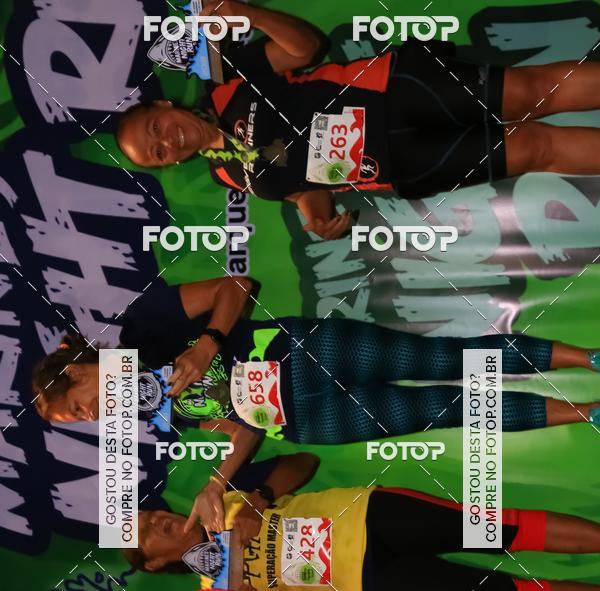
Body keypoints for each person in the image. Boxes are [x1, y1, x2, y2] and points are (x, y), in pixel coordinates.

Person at [32, 282, 600, 531]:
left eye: (76, 409)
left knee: (446, 359)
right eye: (80, 422)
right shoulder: (146, 410)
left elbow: (237, 286)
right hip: (311, 421)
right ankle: (588, 411)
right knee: (450, 410)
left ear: (76, 372)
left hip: (305, 352)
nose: (90, 419)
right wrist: (215, 483)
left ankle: (587, 358)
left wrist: (206, 346)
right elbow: (243, 429)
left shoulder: (141, 328)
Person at [118, 2, 600, 239]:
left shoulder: (228, 84)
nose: (168, 141)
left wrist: (247, 13)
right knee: (535, 148)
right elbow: (303, 188)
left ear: (164, 108)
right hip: (401, 164)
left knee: (534, 90)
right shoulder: (227, 175)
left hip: (394, 91)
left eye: (155, 128)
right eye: (158, 153)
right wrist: (317, 217)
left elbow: (305, 49)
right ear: (168, 164)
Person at [126, 483, 600, 591]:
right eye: (145, 533)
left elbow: (300, 462)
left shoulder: (217, 499)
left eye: (148, 513)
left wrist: (256, 499)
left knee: (504, 528)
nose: (155, 520)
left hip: (369, 516)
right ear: (154, 562)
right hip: (371, 588)